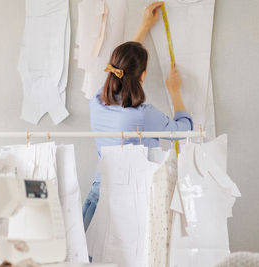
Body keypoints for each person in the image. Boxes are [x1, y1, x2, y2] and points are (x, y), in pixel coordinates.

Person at [82, 1, 193, 231]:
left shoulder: (97, 102)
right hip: (130, 202)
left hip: (99, 195)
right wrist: (175, 92)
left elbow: (122, 68)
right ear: (142, 76)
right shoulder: (143, 116)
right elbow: (184, 131)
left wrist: (143, 27)